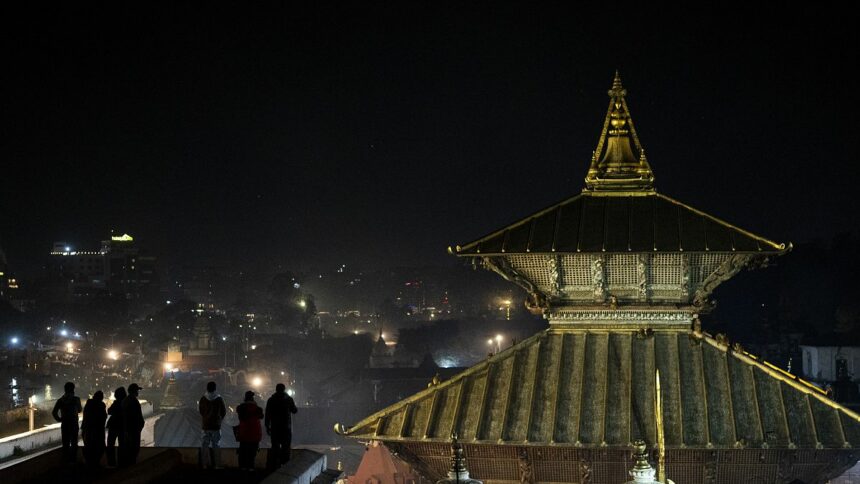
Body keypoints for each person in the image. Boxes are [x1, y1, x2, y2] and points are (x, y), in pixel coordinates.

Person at [265, 383, 298, 470]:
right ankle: (285, 464)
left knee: (275, 446)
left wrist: (267, 426)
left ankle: (275, 465)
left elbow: (267, 414)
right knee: (286, 447)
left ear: (276, 389)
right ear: (284, 389)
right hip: (286, 428)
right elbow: (294, 410)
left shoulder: (271, 400)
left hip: (275, 427)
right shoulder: (288, 399)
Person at [51, 381, 82, 464]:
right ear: (73, 389)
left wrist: (59, 419)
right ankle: (73, 461)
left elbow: (54, 412)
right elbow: (79, 410)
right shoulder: (76, 399)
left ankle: (66, 461)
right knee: (74, 443)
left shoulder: (60, 401)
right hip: (74, 424)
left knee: (65, 443)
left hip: (65, 424)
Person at [198, 381, 227, 469]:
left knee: (204, 445)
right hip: (216, 426)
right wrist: (219, 419)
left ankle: (204, 464)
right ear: (215, 388)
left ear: (207, 388)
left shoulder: (203, 398)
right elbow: (223, 411)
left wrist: (206, 418)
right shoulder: (219, 399)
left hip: (206, 425)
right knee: (216, 445)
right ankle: (217, 465)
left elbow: (201, 411)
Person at [236, 391, 264, 471]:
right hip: (255, 433)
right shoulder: (258, 409)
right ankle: (251, 466)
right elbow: (261, 416)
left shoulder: (241, 408)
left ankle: (243, 466)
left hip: (243, 432)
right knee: (252, 452)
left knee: (243, 451)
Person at [81, 390, 107, 467]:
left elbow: (85, 417)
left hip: (88, 429)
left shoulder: (89, 404)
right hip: (97, 429)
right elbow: (103, 417)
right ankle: (95, 462)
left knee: (88, 446)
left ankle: (89, 463)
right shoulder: (101, 405)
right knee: (99, 447)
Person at [121, 383, 145, 466]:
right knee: (133, 450)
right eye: (137, 390)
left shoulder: (126, 400)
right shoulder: (133, 401)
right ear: (134, 391)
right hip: (133, 430)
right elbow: (133, 416)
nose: (138, 392)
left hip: (130, 429)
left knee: (130, 450)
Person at [105, 386, 126, 467]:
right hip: (123, 426)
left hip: (114, 425)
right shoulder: (125, 402)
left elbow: (109, 411)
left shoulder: (117, 403)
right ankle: (121, 462)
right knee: (122, 445)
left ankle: (111, 462)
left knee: (110, 444)